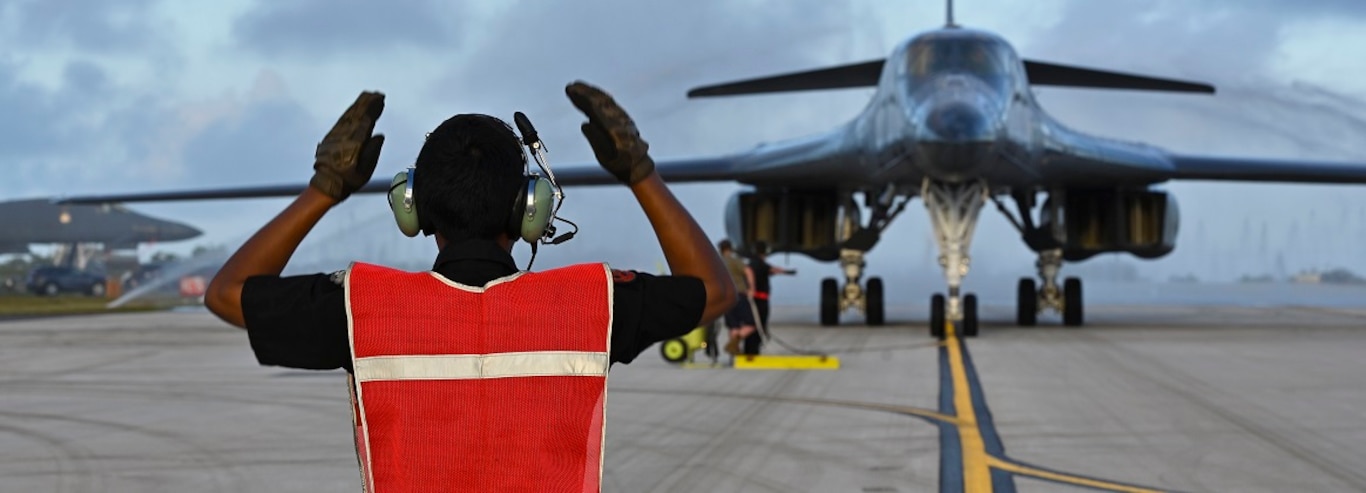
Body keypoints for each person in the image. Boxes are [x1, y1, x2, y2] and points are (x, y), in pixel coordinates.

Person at [203, 81, 734, 492]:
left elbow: (228, 293)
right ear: (528, 209)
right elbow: (712, 290)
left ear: (413, 209)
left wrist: (324, 188)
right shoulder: (591, 302)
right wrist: (639, 171)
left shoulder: (361, 306)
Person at [742, 240, 794, 355]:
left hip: (752, 300)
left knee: (753, 323)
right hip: (760, 300)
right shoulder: (760, 264)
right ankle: (752, 350)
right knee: (759, 324)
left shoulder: (751, 263)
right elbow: (773, 270)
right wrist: (788, 272)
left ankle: (748, 349)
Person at [717, 239, 755, 356]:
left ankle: (734, 351)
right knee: (750, 324)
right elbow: (748, 271)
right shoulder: (734, 260)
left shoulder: (717, 262)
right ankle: (734, 343)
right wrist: (751, 288)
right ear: (730, 248)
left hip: (725, 298)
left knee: (733, 326)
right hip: (738, 295)